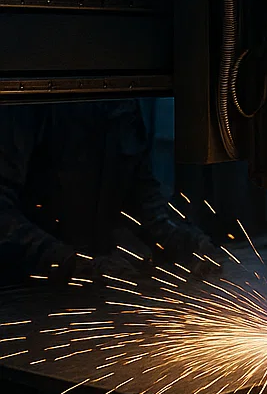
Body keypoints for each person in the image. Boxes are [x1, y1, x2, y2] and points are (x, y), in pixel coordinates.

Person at [0, 98, 220, 285]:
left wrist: (185, 241)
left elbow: (143, 198)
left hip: (95, 287)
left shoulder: (121, 98)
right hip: (24, 291)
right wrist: (69, 262)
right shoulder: (27, 102)